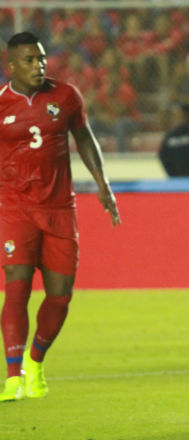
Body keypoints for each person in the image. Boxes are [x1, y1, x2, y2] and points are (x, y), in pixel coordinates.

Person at [0, 32, 120, 402]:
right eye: (29, 60)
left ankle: (36, 361)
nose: (39, 65)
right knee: (17, 285)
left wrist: (102, 184)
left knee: (60, 296)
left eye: (41, 58)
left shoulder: (66, 96)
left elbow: (84, 138)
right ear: (12, 66)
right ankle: (13, 376)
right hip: (15, 208)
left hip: (58, 210)